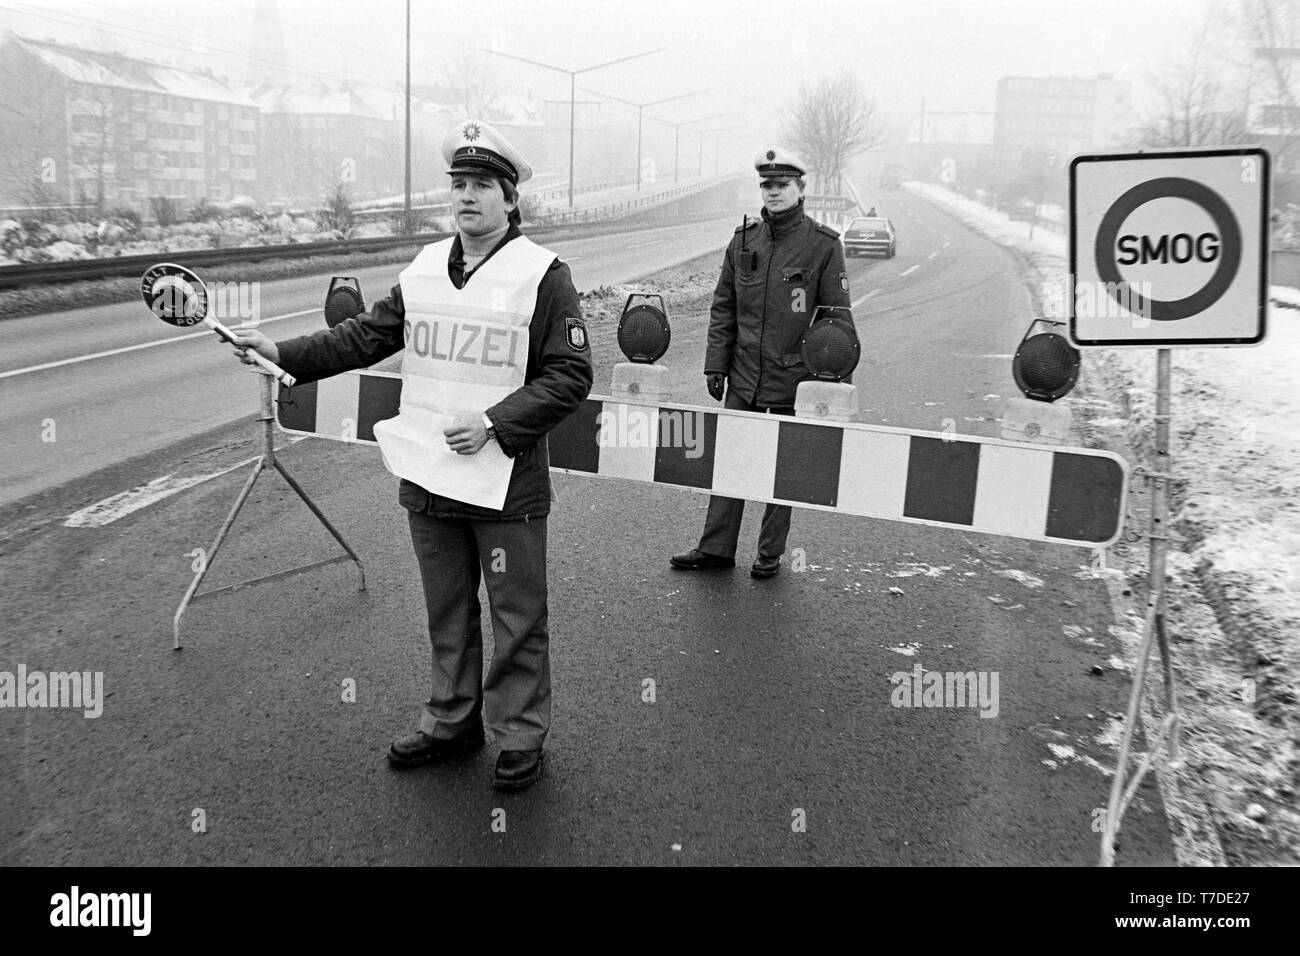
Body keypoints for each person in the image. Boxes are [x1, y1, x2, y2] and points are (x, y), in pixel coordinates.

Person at [229, 119, 593, 791]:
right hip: (429, 476)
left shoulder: (542, 275)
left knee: (518, 618)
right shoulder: (425, 270)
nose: (467, 197)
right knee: (447, 610)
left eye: (483, 185)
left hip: (505, 482)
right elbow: (362, 337)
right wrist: (281, 353)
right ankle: (452, 722)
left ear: (511, 200)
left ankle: (519, 736)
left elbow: (569, 375)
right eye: (458, 184)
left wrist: (492, 423)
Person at [670, 147, 852, 579]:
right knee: (729, 460)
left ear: (800, 189)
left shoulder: (823, 246)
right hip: (744, 377)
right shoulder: (744, 240)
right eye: (767, 186)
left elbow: (836, 321)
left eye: (782, 185)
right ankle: (715, 548)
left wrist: (834, 384)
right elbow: (723, 307)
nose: (773, 192)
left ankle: (769, 554)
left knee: (781, 470)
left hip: (795, 379)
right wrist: (716, 364)